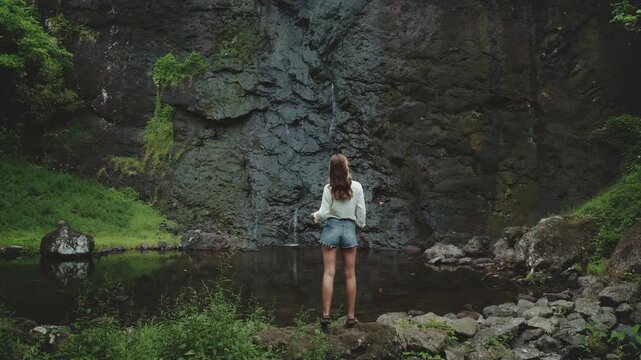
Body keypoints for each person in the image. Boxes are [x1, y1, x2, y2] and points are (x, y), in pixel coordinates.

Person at [311, 154, 366, 330]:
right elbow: (361, 213)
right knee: (350, 274)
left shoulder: (328, 188)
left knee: (329, 273)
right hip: (349, 230)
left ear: (331, 170)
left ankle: (326, 315)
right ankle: (350, 317)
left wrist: (315, 217)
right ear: (346, 167)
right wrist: (361, 225)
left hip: (331, 229)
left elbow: (323, 212)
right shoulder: (357, 187)